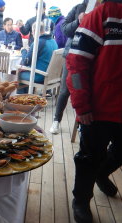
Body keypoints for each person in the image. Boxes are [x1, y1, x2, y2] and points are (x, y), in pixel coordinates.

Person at [66, 0, 122, 223]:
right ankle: (81, 200)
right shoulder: (103, 14)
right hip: (101, 107)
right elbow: (76, 63)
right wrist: (81, 105)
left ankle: (101, 174)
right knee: (89, 157)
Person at [49, 0, 88, 134]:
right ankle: (56, 120)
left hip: (93, 57)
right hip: (72, 54)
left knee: (86, 91)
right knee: (65, 90)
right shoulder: (78, 8)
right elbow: (65, 29)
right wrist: (78, 21)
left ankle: (82, 125)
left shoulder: (102, 10)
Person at [17, 22, 58, 93]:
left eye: (32, 32)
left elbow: (26, 62)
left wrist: (23, 51)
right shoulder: (53, 41)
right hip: (52, 76)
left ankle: (21, 99)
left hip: (39, 76)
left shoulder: (38, 43)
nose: (32, 35)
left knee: (16, 74)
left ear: (35, 31)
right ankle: (28, 97)